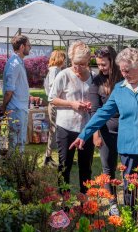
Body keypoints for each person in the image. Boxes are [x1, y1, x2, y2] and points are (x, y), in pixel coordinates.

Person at [70, 48, 138, 228]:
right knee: (130, 190)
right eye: (122, 69)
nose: (124, 73)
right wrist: (84, 135)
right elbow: (102, 114)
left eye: (128, 70)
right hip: (128, 147)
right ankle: (130, 223)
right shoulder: (119, 89)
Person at [48, 40, 95, 194]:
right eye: (75, 63)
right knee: (64, 165)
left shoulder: (94, 77)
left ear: (88, 61)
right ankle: (64, 201)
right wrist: (71, 104)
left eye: (82, 64)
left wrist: (91, 105)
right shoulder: (64, 75)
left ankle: (85, 201)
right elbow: (52, 99)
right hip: (66, 127)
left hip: (86, 128)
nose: (78, 67)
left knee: (86, 166)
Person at [90, 46, 123, 216]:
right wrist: (95, 134)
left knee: (128, 168)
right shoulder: (96, 82)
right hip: (106, 131)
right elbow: (95, 110)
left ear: (112, 60)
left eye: (103, 64)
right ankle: (112, 203)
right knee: (108, 168)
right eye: (98, 65)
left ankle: (131, 200)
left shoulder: (122, 77)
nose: (100, 68)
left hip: (126, 130)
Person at [2, 35, 31, 152]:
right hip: (16, 109)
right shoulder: (14, 64)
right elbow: (9, 91)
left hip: (20, 107)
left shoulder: (18, 62)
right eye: (29, 45)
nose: (30, 48)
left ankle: (18, 167)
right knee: (16, 141)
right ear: (22, 46)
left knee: (20, 140)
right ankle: (15, 168)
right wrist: (3, 106)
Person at [43, 50, 66, 167]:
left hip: (55, 103)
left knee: (55, 130)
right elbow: (53, 86)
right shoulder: (54, 70)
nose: (65, 61)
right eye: (64, 58)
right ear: (60, 59)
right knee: (53, 130)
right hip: (54, 103)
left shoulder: (55, 69)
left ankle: (50, 156)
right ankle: (47, 157)